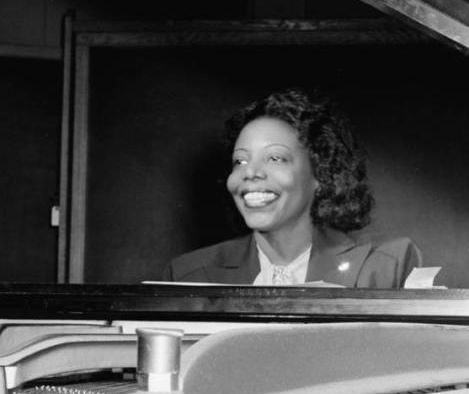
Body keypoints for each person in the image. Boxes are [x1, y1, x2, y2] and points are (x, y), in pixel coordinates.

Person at [165, 88, 422, 288]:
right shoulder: (187, 274)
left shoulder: (388, 265)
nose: (250, 172)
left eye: (275, 158)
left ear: (320, 174)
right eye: (240, 161)